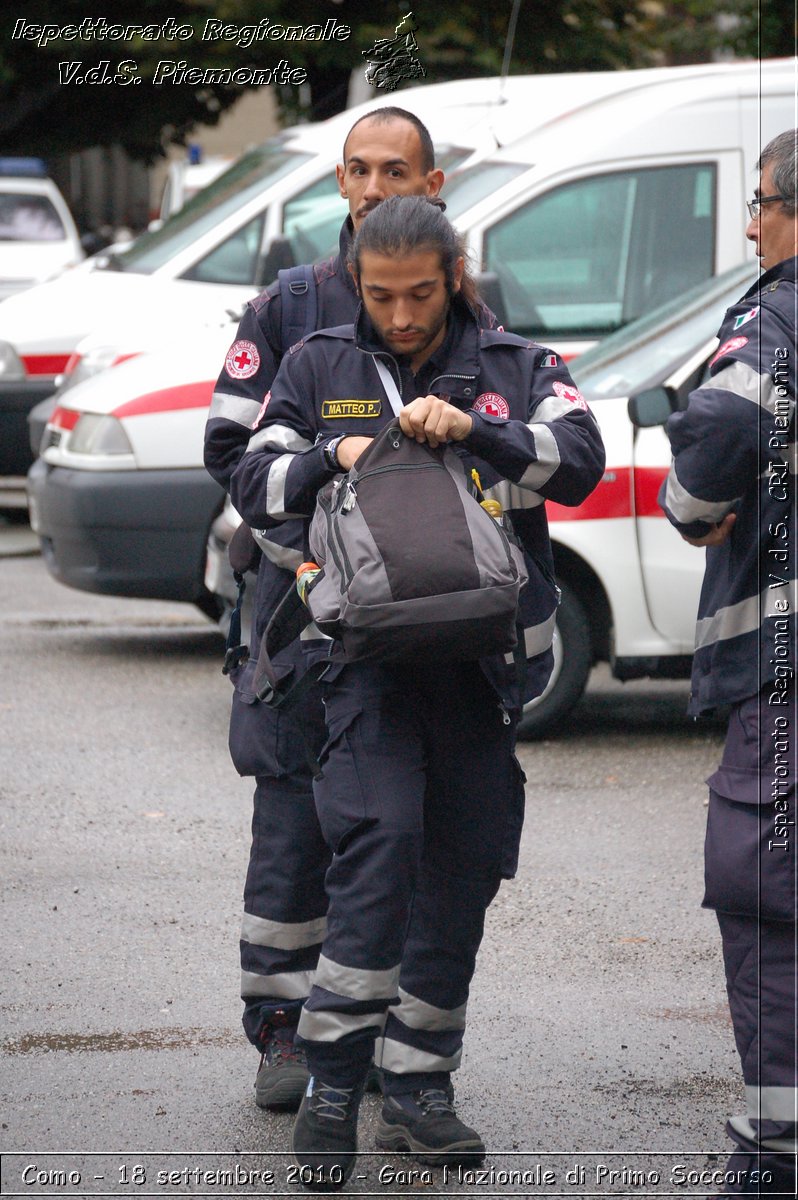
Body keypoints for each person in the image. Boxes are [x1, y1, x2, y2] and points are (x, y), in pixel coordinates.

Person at [230, 194, 605, 1188]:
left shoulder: (513, 365)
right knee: (377, 853)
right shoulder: (317, 364)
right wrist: (333, 454)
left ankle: (420, 1084)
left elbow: (584, 464)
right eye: (382, 296)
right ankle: (334, 1091)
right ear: (358, 285)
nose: (401, 317)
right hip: (364, 675)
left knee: (463, 870)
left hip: (480, 674)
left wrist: (480, 437)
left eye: (422, 296)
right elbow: (254, 483)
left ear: (456, 282)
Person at [203, 109, 464, 1114]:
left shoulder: (463, 304)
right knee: (293, 831)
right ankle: (282, 1034)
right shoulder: (289, 306)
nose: (369, 185)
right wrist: (312, 560)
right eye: (354, 169)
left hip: (430, 630)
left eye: (391, 169)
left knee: (409, 834)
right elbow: (232, 456)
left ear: (430, 184)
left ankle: (396, 1046)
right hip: (299, 623)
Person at [659, 130, 797, 1197]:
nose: (750, 226)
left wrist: (692, 509)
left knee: (766, 891)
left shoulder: (774, 316)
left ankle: (779, 1146)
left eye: (758, 204)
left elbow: (713, 445)